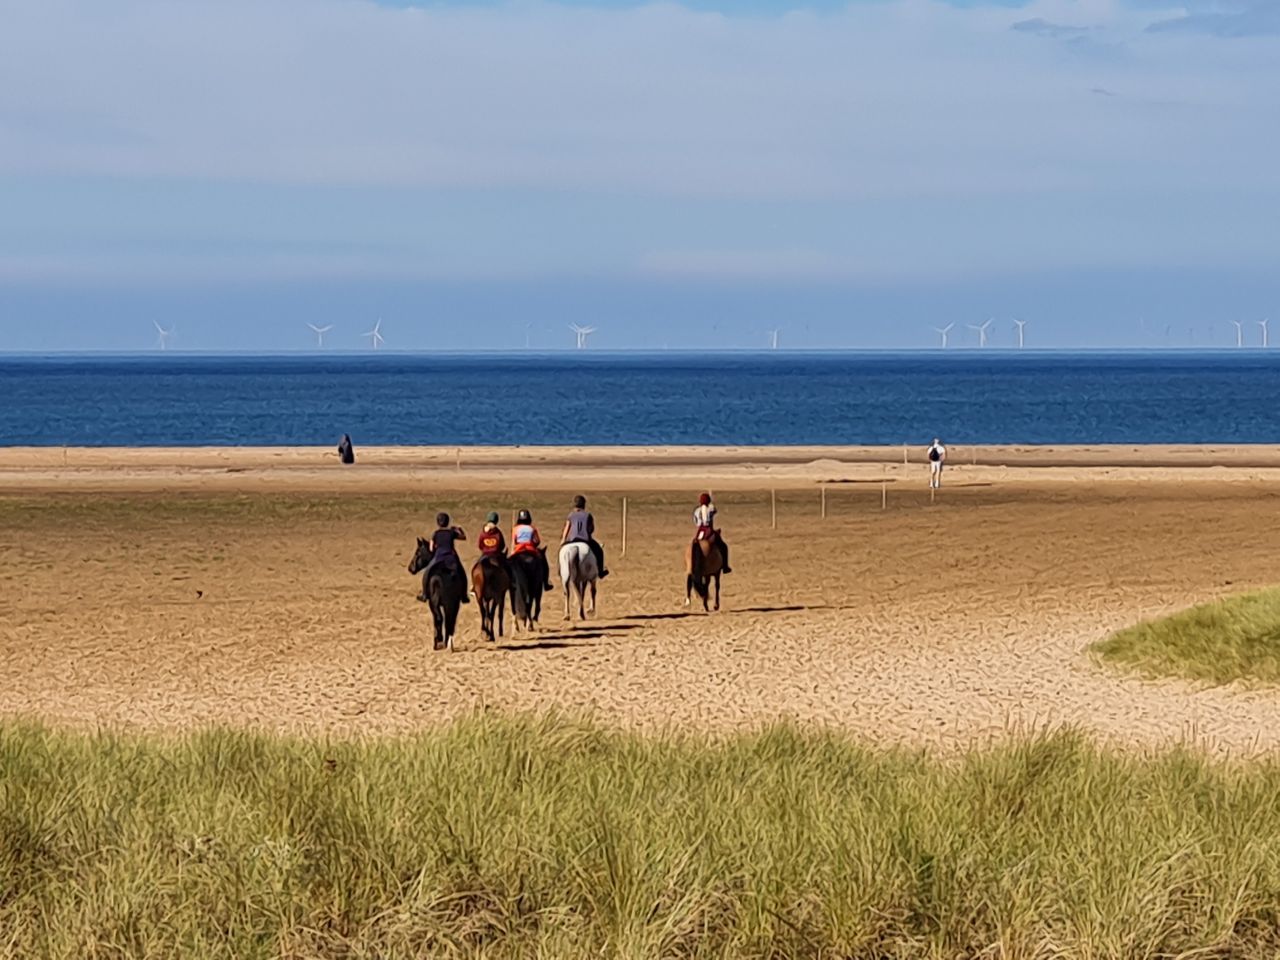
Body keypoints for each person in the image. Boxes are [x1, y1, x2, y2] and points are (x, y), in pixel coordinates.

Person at [425, 512, 470, 603]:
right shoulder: (451, 532)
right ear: (448, 522)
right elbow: (463, 537)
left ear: (438, 522)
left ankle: (424, 593)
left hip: (439, 557)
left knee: (428, 572)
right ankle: (464, 595)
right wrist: (459, 530)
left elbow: (431, 548)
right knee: (462, 573)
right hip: (451, 557)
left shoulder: (435, 533)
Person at [562, 495, 609, 579]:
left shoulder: (571, 515)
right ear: (584, 504)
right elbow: (591, 529)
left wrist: (563, 540)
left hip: (572, 540)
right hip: (585, 540)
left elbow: (567, 528)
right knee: (599, 550)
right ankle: (601, 572)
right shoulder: (588, 515)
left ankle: (562, 571)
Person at [512, 508, 554, 591]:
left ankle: (510, 582)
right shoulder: (532, 528)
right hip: (531, 550)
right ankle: (545, 583)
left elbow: (514, 541)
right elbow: (537, 541)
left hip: (518, 550)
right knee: (543, 562)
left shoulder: (515, 529)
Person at [691, 492, 732, 574]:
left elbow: (696, 522)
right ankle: (725, 566)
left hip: (700, 530)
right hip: (708, 530)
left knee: (695, 543)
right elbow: (715, 511)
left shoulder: (696, 511)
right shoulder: (710, 508)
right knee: (723, 546)